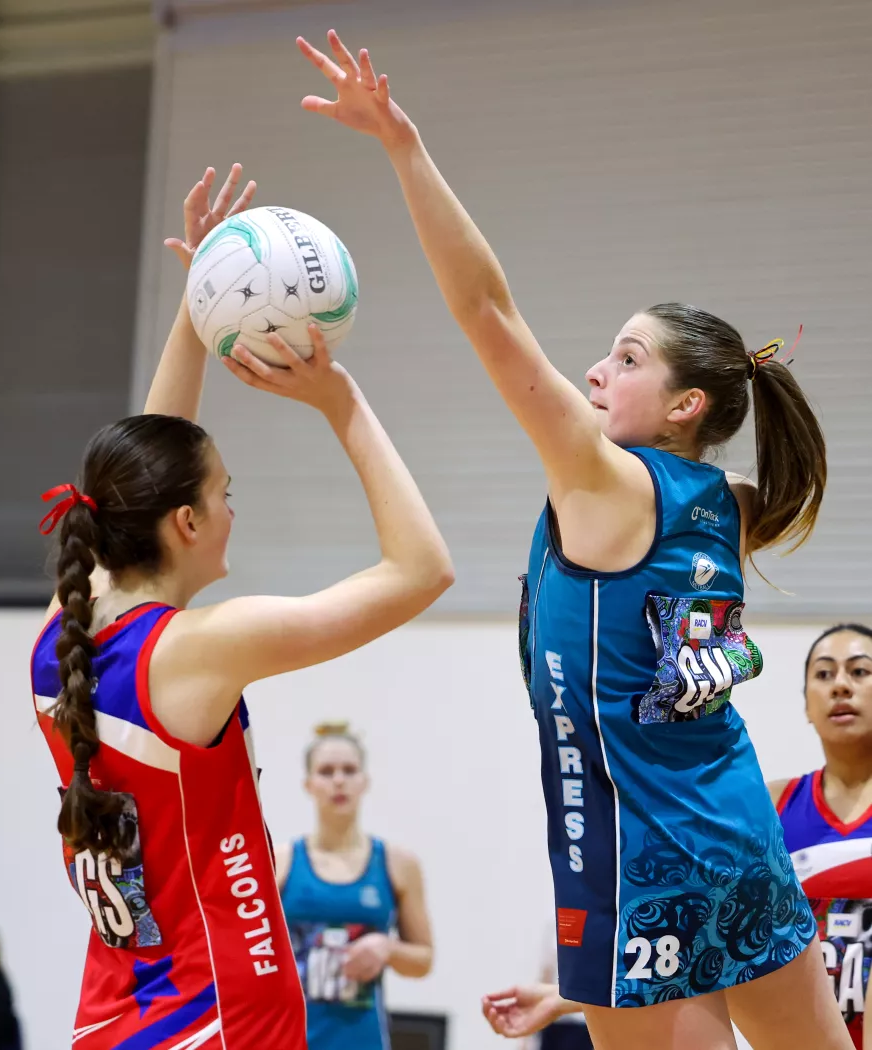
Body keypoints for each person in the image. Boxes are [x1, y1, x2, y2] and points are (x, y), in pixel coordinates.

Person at [295, 30, 849, 1050]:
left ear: (685, 404)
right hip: (737, 840)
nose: (596, 371)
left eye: (626, 358)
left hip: (641, 867)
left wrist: (403, 145)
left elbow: (486, 310)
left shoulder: (607, 481)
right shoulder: (726, 501)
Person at [30, 164, 453, 1050]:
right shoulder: (205, 646)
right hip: (221, 1018)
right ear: (186, 523)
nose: (234, 510)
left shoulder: (64, 629)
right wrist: (342, 402)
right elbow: (422, 570)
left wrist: (204, 303)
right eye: (228, 494)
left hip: (114, 1017)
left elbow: (142, 472)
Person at [277, 723, 433, 1049]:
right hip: (290, 1038)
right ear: (308, 784)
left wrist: (387, 948)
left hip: (363, 1039)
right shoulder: (280, 862)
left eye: (349, 770)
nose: (338, 780)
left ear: (364, 781)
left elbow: (424, 959)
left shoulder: (397, 863)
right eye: (326, 771)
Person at [769, 624, 872, 1050]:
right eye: (824, 674)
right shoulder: (771, 807)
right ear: (807, 705)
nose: (840, 686)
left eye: (860, 671)